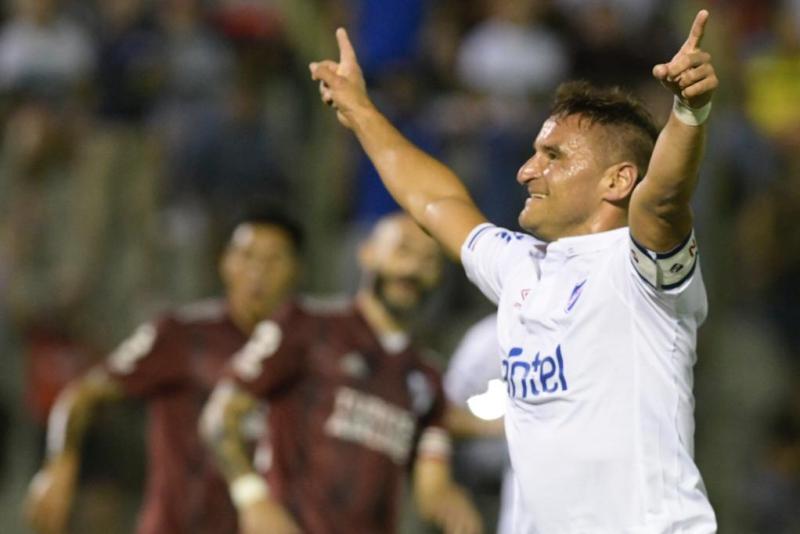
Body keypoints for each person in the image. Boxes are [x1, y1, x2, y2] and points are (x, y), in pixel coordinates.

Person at [309, 9, 719, 533]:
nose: (528, 170)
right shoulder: (520, 268)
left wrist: (688, 112)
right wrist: (361, 110)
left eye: (553, 155)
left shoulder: (642, 271)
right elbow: (435, 200)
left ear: (617, 181)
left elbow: (661, 201)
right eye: (533, 153)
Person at [200, 213, 483, 534]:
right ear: (367, 252)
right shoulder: (305, 327)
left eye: (429, 261)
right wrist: (253, 500)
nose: (412, 269)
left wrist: (449, 503)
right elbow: (220, 416)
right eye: (402, 251)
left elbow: (431, 485)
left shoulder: (426, 377)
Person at [25, 210, 303, 534]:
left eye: (273, 260)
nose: (258, 272)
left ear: (296, 269)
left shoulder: (307, 351)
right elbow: (85, 393)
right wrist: (59, 463)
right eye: (246, 256)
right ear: (225, 263)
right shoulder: (181, 335)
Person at [444, 314, 512, 534]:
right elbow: (444, 415)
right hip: (475, 477)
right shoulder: (488, 338)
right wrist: (503, 427)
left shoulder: (570, 334)